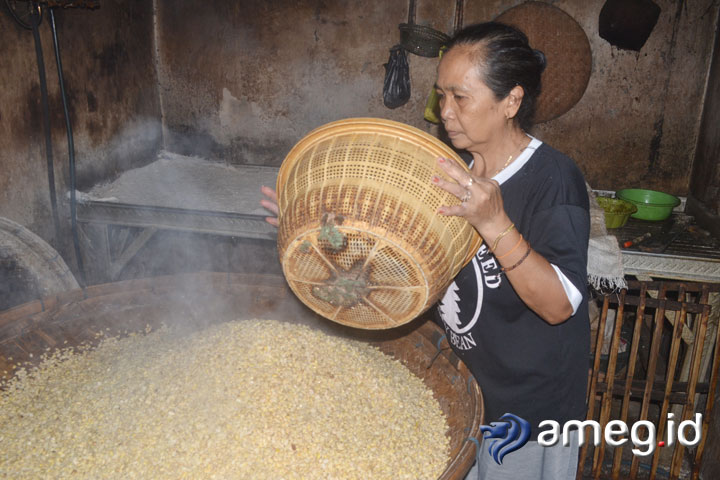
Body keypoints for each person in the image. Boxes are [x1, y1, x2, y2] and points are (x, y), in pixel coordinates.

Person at [261, 21, 589, 480]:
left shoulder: (551, 180)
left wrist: (494, 223)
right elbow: (391, 263)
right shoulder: (445, 167)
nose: (444, 113)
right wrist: (318, 230)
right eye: (440, 95)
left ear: (511, 101)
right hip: (462, 389)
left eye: (461, 97)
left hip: (527, 412)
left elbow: (559, 305)